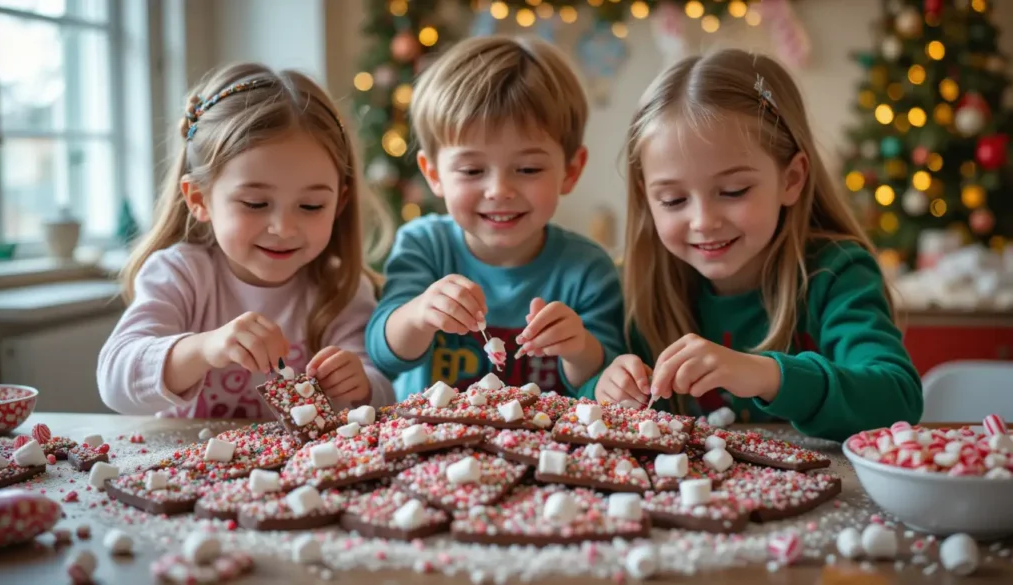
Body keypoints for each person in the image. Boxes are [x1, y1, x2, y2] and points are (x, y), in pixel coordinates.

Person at [592, 49, 922, 442]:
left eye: (733, 191)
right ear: (647, 196)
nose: (703, 221)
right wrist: (603, 388)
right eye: (674, 200)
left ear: (792, 178)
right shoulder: (638, 283)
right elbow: (589, 398)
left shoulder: (837, 272)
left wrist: (764, 374)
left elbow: (898, 401)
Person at [98, 62, 395, 418]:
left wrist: (361, 384)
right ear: (199, 199)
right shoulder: (180, 274)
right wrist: (205, 348)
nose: (284, 228)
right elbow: (115, 382)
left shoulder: (340, 285)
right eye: (255, 203)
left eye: (311, 205)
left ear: (338, 204)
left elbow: (381, 392)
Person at [366, 35, 624, 401]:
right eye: (472, 170)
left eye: (528, 168)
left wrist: (579, 347)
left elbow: (606, 384)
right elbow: (382, 354)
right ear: (433, 173)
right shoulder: (424, 246)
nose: (499, 190)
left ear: (570, 170)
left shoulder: (587, 270)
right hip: (431, 448)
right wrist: (419, 313)